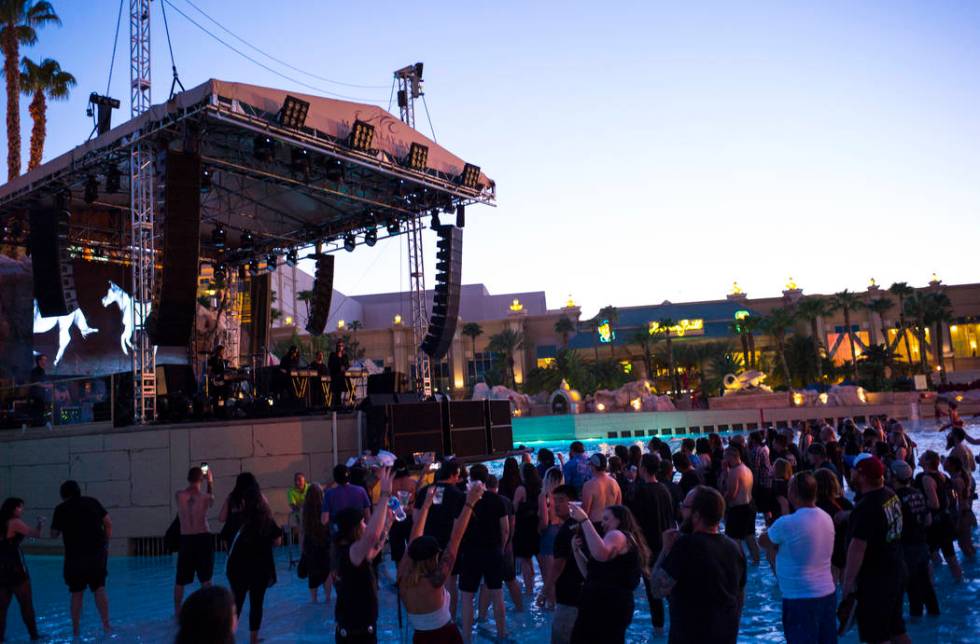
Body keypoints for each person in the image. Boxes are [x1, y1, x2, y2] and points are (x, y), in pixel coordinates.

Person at [649, 486, 746, 644]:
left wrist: (665, 550)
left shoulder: (685, 545)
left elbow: (656, 589)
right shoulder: (735, 547)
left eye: (685, 507)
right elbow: (739, 597)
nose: (681, 511)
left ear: (696, 515)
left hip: (690, 636)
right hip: (726, 635)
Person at [398, 481, 484, 643]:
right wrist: (470, 503)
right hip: (446, 636)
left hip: (420, 638)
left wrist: (425, 507)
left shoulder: (402, 577)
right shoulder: (435, 580)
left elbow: (413, 539)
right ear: (434, 557)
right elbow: (455, 539)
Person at [759, 472, 836, 644]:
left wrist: (784, 511)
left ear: (792, 494)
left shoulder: (787, 523)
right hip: (827, 593)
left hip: (799, 598)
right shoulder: (827, 518)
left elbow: (763, 541)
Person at [842, 456, 910, 644]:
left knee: (877, 637)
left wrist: (847, 584)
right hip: (896, 569)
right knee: (896, 629)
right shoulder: (890, 494)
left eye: (854, 470)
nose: (851, 472)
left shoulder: (866, 507)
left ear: (862, 476)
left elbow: (857, 549)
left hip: (876, 580)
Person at [567, 503, 648, 644]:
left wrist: (584, 520)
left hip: (606, 608)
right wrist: (576, 551)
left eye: (606, 519)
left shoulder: (618, 535)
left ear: (619, 520)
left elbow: (601, 553)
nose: (602, 523)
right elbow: (589, 575)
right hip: (605, 606)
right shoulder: (617, 540)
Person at [333, 467, 395, 643]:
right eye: (362, 523)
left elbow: (374, 548)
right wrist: (384, 494)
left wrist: (388, 525)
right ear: (353, 529)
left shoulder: (348, 551)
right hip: (356, 634)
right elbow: (372, 536)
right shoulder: (350, 553)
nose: (365, 525)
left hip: (357, 629)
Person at [50, 480, 112, 636]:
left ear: (63, 495)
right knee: (99, 588)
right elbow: (108, 522)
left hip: (74, 557)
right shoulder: (92, 502)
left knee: (77, 593)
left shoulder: (61, 509)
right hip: (96, 554)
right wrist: (106, 542)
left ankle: (76, 630)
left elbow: (54, 535)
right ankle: (106, 625)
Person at [457, 464, 509, 643]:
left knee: (466, 598)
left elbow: (459, 529)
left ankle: (466, 638)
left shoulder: (466, 500)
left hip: (471, 552)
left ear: (470, 479)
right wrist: (500, 549)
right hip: (493, 551)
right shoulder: (497, 500)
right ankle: (502, 634)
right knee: (497, 594)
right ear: (487, 479)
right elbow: (505, 530)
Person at [225, 483, 282, 644]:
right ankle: (253, 639)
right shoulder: (266, 519)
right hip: (260, 568)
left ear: (244, 501)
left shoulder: (236, 518)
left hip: (238, 568)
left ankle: (227, 637)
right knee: (256, 604)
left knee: (236, 604)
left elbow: (225, 540)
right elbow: (277, 541)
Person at [627, 453, 675, 635]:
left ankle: (658, 628)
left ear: (643, 469)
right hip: (666, 545)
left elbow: (634, 521)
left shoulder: (641, 491)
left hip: (648, 547)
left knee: (652, 590)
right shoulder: (664, 489)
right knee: (669, 588)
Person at [413, 461, 466, 616]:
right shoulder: (458, 495)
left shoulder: (424, 491)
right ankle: (450, 618)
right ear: (454, 475)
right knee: (450, 583)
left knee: (425, 581)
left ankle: (429, 614)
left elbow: (416, 520)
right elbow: (458, 528)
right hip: (448, 545)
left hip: (426, 546)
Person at [890, 460, 939, 617]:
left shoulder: (894, 497)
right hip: (921, 544)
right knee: (926, 584)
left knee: (912, 589)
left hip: (906, 547)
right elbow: (928, 521)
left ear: (894, 476)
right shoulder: (917, 493)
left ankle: (916, 619)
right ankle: (933, 614)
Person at [915, 450, 962, 579]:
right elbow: (948, 499)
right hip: (945, 520)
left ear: (928, 462)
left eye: (922, 457)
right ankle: (960, 581)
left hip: (935, 523)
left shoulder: (926, 478)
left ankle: (932, 589)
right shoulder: (942, 475)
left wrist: (919, 504)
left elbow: (935, 504)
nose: (919, 457)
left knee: (928, 557)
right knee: (951, 557)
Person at [174, 466, 215, 616]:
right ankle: (209, 611)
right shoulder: (205, 497)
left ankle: (177, 611)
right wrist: (210, 482)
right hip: (203, 537)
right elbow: (211, 501)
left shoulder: (179, 495)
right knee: (206, 578)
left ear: (188, 478)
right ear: (202, 479)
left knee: (180, 579)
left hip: (186, 539)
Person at [0, 498, 41, 641]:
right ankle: (34, 636)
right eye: (20, 508)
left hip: (1, 570)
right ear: (14, 508)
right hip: (16, 569)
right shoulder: (15, 522)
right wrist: (40, 523)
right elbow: (36, 534)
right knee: (26, 605)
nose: (21, 510)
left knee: (1, 608)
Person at [548, 485, 583, 644]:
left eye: (561, 501)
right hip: (582, 595)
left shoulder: (564, 532)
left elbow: (558, 565)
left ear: (572, 503)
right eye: (554, 501)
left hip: (569, 598)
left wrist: (544, 590)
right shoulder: (581, 525)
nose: (556, 505)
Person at [721, 446, 760, 564]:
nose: (723, 460)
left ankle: (740, 565)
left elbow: (732, 495)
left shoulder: (734, 472)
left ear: (730, 457)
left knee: (734, 540)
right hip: (750, 506)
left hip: (738, 509)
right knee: (750, 536)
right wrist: (725, 471)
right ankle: (756, 560)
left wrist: (721, 501)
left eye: (724, 457)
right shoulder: (746, 469)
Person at [512, 463, 542, 594]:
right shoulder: (540, 487)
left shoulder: (521, 489)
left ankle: (529, 589)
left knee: (525, 559)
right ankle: (541, 586)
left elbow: (514, 508)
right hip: (537, 526)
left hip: (523, 528)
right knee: (539, 558)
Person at [537, 466, 563, 609]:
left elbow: (545, 522)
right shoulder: (564, 496)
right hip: (562, 532)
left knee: (549, 576)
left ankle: (551, 606)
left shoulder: (544, 496)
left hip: (550, 534)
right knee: (560, 574)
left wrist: (539, 530)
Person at [301, 485, 331, 603]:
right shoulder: (325, 506)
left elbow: (302, 529)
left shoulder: (304, 508)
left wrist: (302, 547)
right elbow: (328, 524)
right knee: (326, 570)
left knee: (312, 572)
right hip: (325, 540)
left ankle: (314, 599)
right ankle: (328, 597)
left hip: (310, 541)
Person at [944, 455, 976, 559]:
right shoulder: (958, 477)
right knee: (966, 545)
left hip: (963, 515)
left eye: (946, 462)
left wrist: (958, 521)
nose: (944, 463)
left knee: (965, 546)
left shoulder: (957, 481)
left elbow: (960, 502)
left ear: (952, 466)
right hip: (966, 513)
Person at [322, 464, 371, 532]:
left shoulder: (329, 494)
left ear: (335, 478)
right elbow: (367, 516)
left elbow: (324, 520)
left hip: (338, 534)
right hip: (358, 533)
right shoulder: (361, 491)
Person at [581, 453, 621, 523]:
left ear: (593, 466)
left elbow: (585, 512)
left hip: (595, 525)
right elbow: (618, 507)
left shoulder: (589, 485)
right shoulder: (615, 483)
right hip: (611, 524)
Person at [327, 340, 351, 409]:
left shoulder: (345, 356)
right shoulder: (333, 355)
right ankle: (336, 406)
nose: (340, 347)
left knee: (341, 391)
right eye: (339, 346)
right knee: (336, 393)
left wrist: (345, 367)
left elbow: (347, 365)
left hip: (342, 377)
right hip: (335, 376)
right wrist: (338, 367)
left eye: (341, 346)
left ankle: (341, 405)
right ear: (336, 347)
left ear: (343, 347)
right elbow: (330, 365)